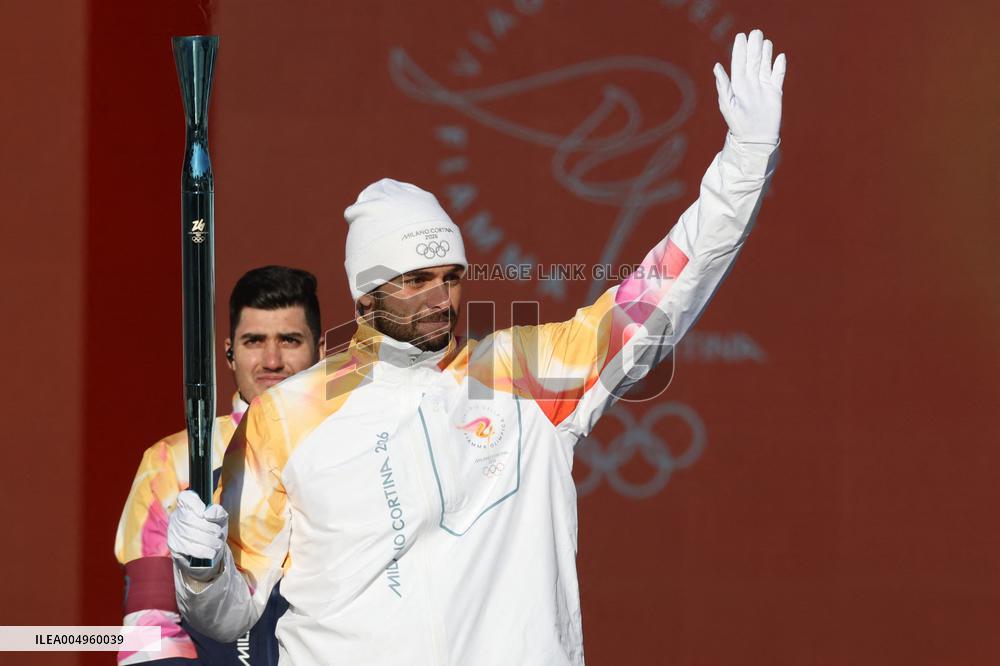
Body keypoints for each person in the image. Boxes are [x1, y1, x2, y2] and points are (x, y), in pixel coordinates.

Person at [168, 30, 786, 665]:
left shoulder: (524, 377)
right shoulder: (289, 415)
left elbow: (666, 284)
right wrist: (202, 570)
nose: (439, 297)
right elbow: (229, 613)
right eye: (413, 280)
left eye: (450, 277)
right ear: (365, 295)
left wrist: (744, 160)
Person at [114, 266, 322, 665]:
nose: (272, 359)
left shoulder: (360, 447)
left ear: (322, 349)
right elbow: (151, 630)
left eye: (290, 340)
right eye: (254, 341)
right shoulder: (170, 462)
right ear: (229, 353)